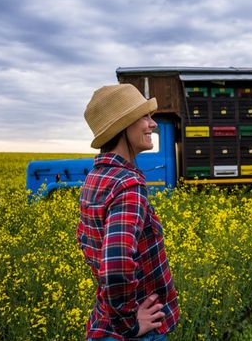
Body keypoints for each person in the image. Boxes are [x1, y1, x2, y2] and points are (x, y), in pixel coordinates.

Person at [77, 84, 179, 340]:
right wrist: (129, 325)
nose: (152, 124)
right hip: (134, 332)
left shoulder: (96, 177)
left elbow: (90, 246)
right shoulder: (127, 185)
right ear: (123, 126)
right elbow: (115, 267)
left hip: (103, 322)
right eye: (144, 117)